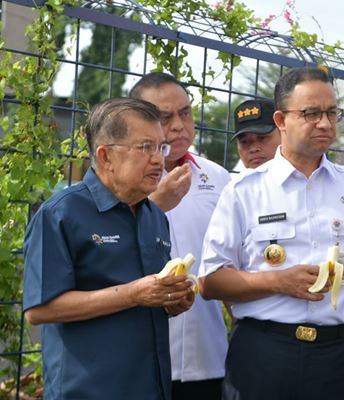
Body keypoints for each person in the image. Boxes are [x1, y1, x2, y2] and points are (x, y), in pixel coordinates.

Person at [199, 67, 344, 400]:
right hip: (262, 355)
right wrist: (277, 281)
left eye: (331, 113)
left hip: (336, 359)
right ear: (281, 120)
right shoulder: (244, 191)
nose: (325, 123)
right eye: (310, 113)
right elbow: (210, 282)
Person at [22, 98, 195, 400]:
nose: (158, 160)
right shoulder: (60, 214)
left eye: (160, 148)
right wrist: (134, 293)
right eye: (145, 148)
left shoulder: (154, 216)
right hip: (89, 390)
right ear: (105, 156)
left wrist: (171, 300)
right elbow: (39, 309)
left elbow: (146, 296)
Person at [129, 72, 230, 400]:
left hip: (206, 355)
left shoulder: (217, 178)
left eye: (185, 113)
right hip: (136, 360)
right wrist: (156, 203)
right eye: (164, 117)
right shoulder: (118, 181)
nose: (178, 125)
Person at [232, 98, 281, 169]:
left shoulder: (302, 175)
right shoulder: (236, 179)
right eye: (244, 142)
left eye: (262, 138)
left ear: (283, 133)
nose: (253, 149)